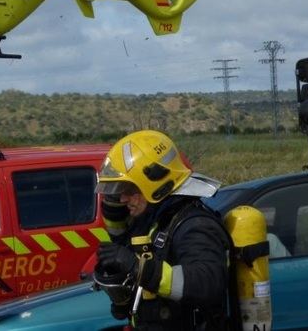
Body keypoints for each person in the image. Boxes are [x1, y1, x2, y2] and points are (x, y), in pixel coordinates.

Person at [94, 130, 229, 330]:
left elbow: (207, 282)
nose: (123, 199)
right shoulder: (155, 221)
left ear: (155, 184)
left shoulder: (194, 225)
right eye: (120, 192)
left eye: (129, 190)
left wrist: (139, 269)